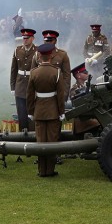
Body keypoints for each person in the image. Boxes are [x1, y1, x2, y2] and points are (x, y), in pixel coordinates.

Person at [27, 42, 70, 177]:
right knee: (52, 141)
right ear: (51, 55)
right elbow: (60, 95)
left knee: (40, 141)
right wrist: (62, 112)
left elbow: (29, 95)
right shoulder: (56, 72)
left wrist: (30, 111)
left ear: (39, 56)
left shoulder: (34, 72)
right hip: (53, 111)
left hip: (39, 111)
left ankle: (41, 170)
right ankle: (50, 170)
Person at [10, 28, 39, 132]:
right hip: (20, 85)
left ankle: (33, 134)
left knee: (32, 112)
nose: (25, 40)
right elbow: (13, 70)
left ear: (32, 38)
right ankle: (23, 134)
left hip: (33, 85)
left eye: (27, 38)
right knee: (21, 113)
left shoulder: (37, 51)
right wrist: (13, 87)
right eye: (24, 38)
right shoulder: (18, 50)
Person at [68, 61, 100, 135]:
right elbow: (77, 104)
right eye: (85, 73)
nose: (87, 74)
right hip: (81, 119)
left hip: (88, 114)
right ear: (78, 76)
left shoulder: (85, 86)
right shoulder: (74, 89)